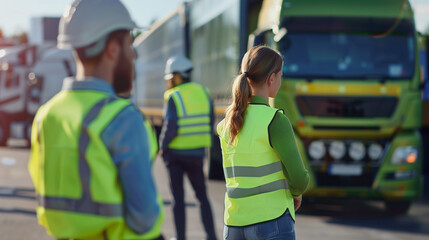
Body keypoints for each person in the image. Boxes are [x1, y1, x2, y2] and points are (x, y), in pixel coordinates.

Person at [28, 0, 164, 239]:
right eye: (129, 44)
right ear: (112, 48)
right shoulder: (123, 118)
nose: (133, 54)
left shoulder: (45, 116)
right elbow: (144, 219)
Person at [217, 46, 309, 240]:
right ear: (271, 78)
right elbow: (299, 178)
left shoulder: (227, 123)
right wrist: (297, 192)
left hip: (234, 223)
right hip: (271, 219)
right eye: (281, 76)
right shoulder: (275, 120)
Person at [159, 55, 217, 240]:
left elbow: (170, 126)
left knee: (178, 199)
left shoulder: (173, 96)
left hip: (175, 155)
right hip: (197, 154)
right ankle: (212, 236)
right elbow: (210, 121)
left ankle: (181, 237)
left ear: (176, 76)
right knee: (202, 197)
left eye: (169, 78)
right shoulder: (203, 92)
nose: (168, 82)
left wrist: (162, 146)